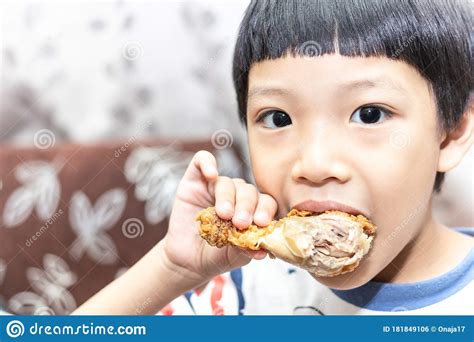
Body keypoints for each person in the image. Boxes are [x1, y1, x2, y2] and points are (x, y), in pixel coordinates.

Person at [73, 0, 473, 315]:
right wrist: (172, 269)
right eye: (278, 118)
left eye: (368, 114)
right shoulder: (244, 297)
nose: (314, 165)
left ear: (451, 133)